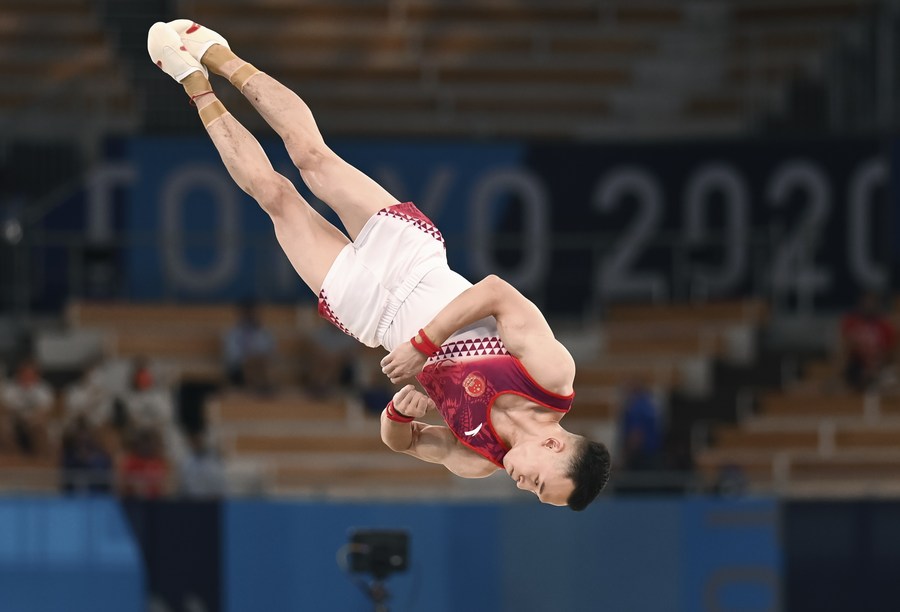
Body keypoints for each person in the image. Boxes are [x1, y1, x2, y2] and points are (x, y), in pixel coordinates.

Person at [147, 20, 610, 509]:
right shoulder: (552, 376)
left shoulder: (480, 459)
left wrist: (400, 413)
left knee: (277, 198)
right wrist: (423, 345)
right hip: (412, 260)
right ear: (555, 445)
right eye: (539, 483)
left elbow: (402, 444)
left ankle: (192, 82)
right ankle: (220, 57)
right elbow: (496, 290)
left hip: (370, 313)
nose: (523, 486)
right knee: (311, 158)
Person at [840, 292, 896, 391]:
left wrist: (877, 365)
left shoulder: (885, 326)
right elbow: (845, 347)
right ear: (861, 304)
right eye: (866, 302)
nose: (869, 306)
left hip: (879, 366)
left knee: (889, 378)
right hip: (857, 365)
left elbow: (890, 351)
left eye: (872, 303)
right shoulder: (851, 322)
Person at [0, 357, 54, 456]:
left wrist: (32, 418)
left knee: (40, 426)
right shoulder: (10, 387)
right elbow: (4, 407)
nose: (27, 376)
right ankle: (15, 458)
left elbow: (45, 410)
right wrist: (17, 415)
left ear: (36, 375)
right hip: (14, 420)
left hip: (34, 421)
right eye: (24, 373)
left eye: (30, 373)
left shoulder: (43, 388)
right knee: (3, 427)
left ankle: (40, 460)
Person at [223, 299, 276, 392]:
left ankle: (263, 389)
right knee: (251, 363)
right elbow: (232, 356)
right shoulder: (233, 334)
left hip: (260, 367)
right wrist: (248, 359)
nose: (250, 316)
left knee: (261, 363)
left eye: (252, 313)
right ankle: (258, 389)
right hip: (239, 369)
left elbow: (270, 353)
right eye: (247, 313)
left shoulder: (264, 333)